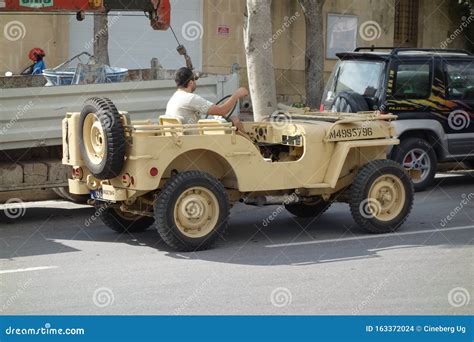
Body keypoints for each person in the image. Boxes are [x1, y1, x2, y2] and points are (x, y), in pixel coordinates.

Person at [164, 67, 248, 133]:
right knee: (235, 120)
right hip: (194, 140)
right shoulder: (191, 98)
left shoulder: (173, 98)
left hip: (183, 138)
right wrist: (236, 95)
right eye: (194, 80)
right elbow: (222, 111)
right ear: (190, 83)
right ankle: (252, 146)